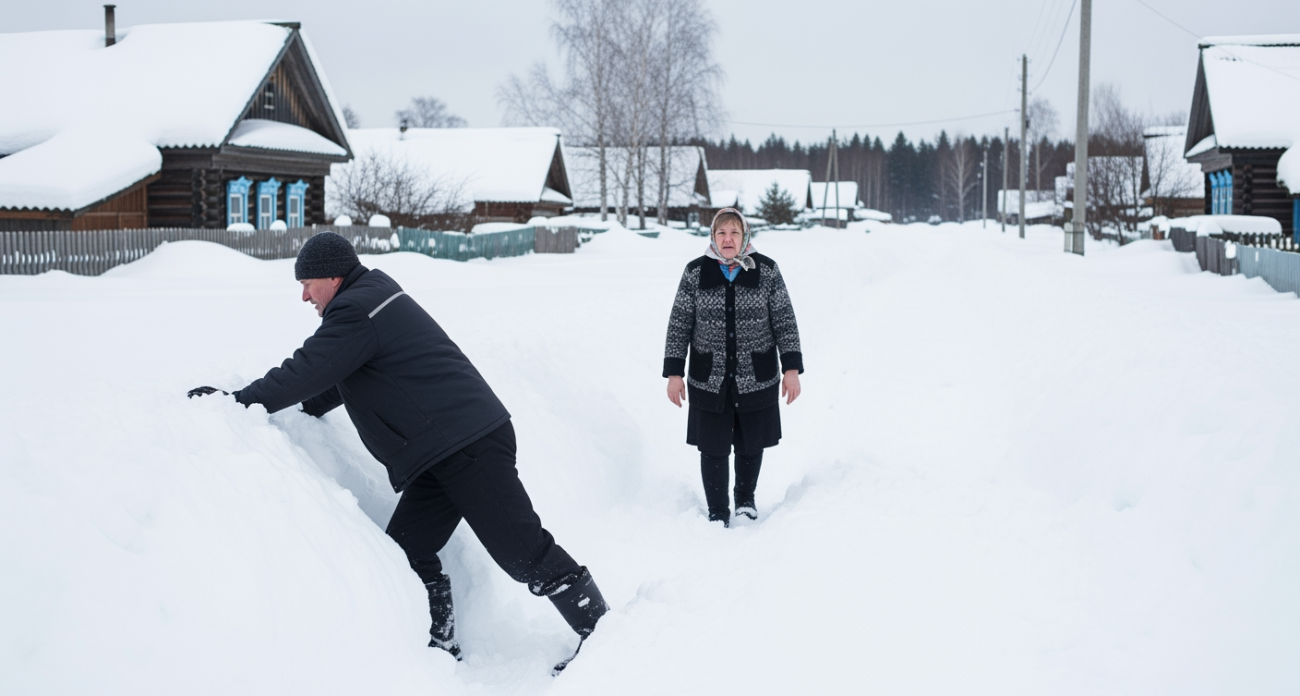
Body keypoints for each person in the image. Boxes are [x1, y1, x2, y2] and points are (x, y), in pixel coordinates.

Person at [188, 232, 606, 672]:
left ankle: (601, 634)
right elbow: (338, 375)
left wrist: (235, 403)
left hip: (468, 445)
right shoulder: (370, 298)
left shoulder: (356, 309)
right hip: (443, 452)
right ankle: (437, 649)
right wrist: (305, 410)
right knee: (406, 552)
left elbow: (310, 368)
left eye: (307, 282)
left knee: (523, 551)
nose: (304, 295)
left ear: (333, 275)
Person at [662, 208, 803, 527]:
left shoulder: (765, 270)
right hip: (708, 377)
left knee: (750, 444)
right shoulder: (695, 272)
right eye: (721, 233)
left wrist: (791, 368)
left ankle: (745, 502)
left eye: (734, 233)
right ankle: (717, 511)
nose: (728, 239)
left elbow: (784, 319)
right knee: (712, 448)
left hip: (757, 375)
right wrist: (674, 372)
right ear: (712, 237)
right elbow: (680, 323)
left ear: (745, 237)